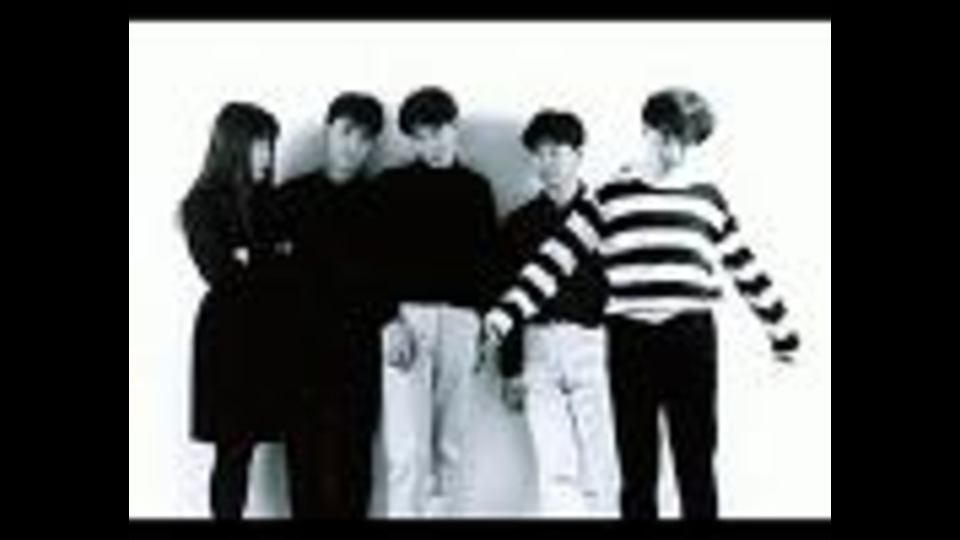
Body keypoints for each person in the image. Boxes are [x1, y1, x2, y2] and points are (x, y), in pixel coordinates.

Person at [479, 88, 800, 519]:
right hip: (630, 338)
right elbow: (552, 261)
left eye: (686, 143)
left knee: (696, 462)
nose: (675, 153)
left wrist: (782, 332)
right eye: (666, 139)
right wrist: (503, 316)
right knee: (636, 466)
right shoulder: (609, 196)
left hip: (691, 335)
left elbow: (745, 266)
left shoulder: (707, 198)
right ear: (646, 131)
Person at [370, 86, 499, 517]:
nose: (433, 143)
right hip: (408, 319)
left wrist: (482, 325)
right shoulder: (390, 186)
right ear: (412, 139)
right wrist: (387, 320)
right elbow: (372, 263)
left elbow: (488, 265)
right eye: (421, 136)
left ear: (454, 127)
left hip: (462, 322)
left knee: (450, 447)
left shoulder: (477, 189)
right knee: (407, 450)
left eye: (439, 131)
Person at [271, 92, 393, 517]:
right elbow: (258, 261)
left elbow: (386, 278)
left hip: (359, 348)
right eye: (346, 132)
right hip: (298, 348)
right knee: (303, 458)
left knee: (354, 457)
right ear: (328, 131)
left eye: (365, 138)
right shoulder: (289, 197)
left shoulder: (378, 202)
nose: (353, 145)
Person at [492, 110, 620, 517]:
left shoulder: (607, 219)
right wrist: (510, 368)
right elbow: (507, 297)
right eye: (538, 153)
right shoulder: (519, 224)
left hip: (594, 345)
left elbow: (624, 291)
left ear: (578, 155)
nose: (546, 162)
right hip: (539, 348)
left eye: (556, 152)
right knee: (554, 465)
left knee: (603, 462)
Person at [180, 101, 290, 519]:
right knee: (233, 450)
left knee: (257, 445)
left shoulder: (269, 199)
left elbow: (290, 268)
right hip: (227, 338)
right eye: (261, 144)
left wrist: (250, 256)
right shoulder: (201, 203)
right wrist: (270, 255)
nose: (268, 156)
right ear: (235, 146)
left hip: (270, 331)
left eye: (271, 145)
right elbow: (220, 272)